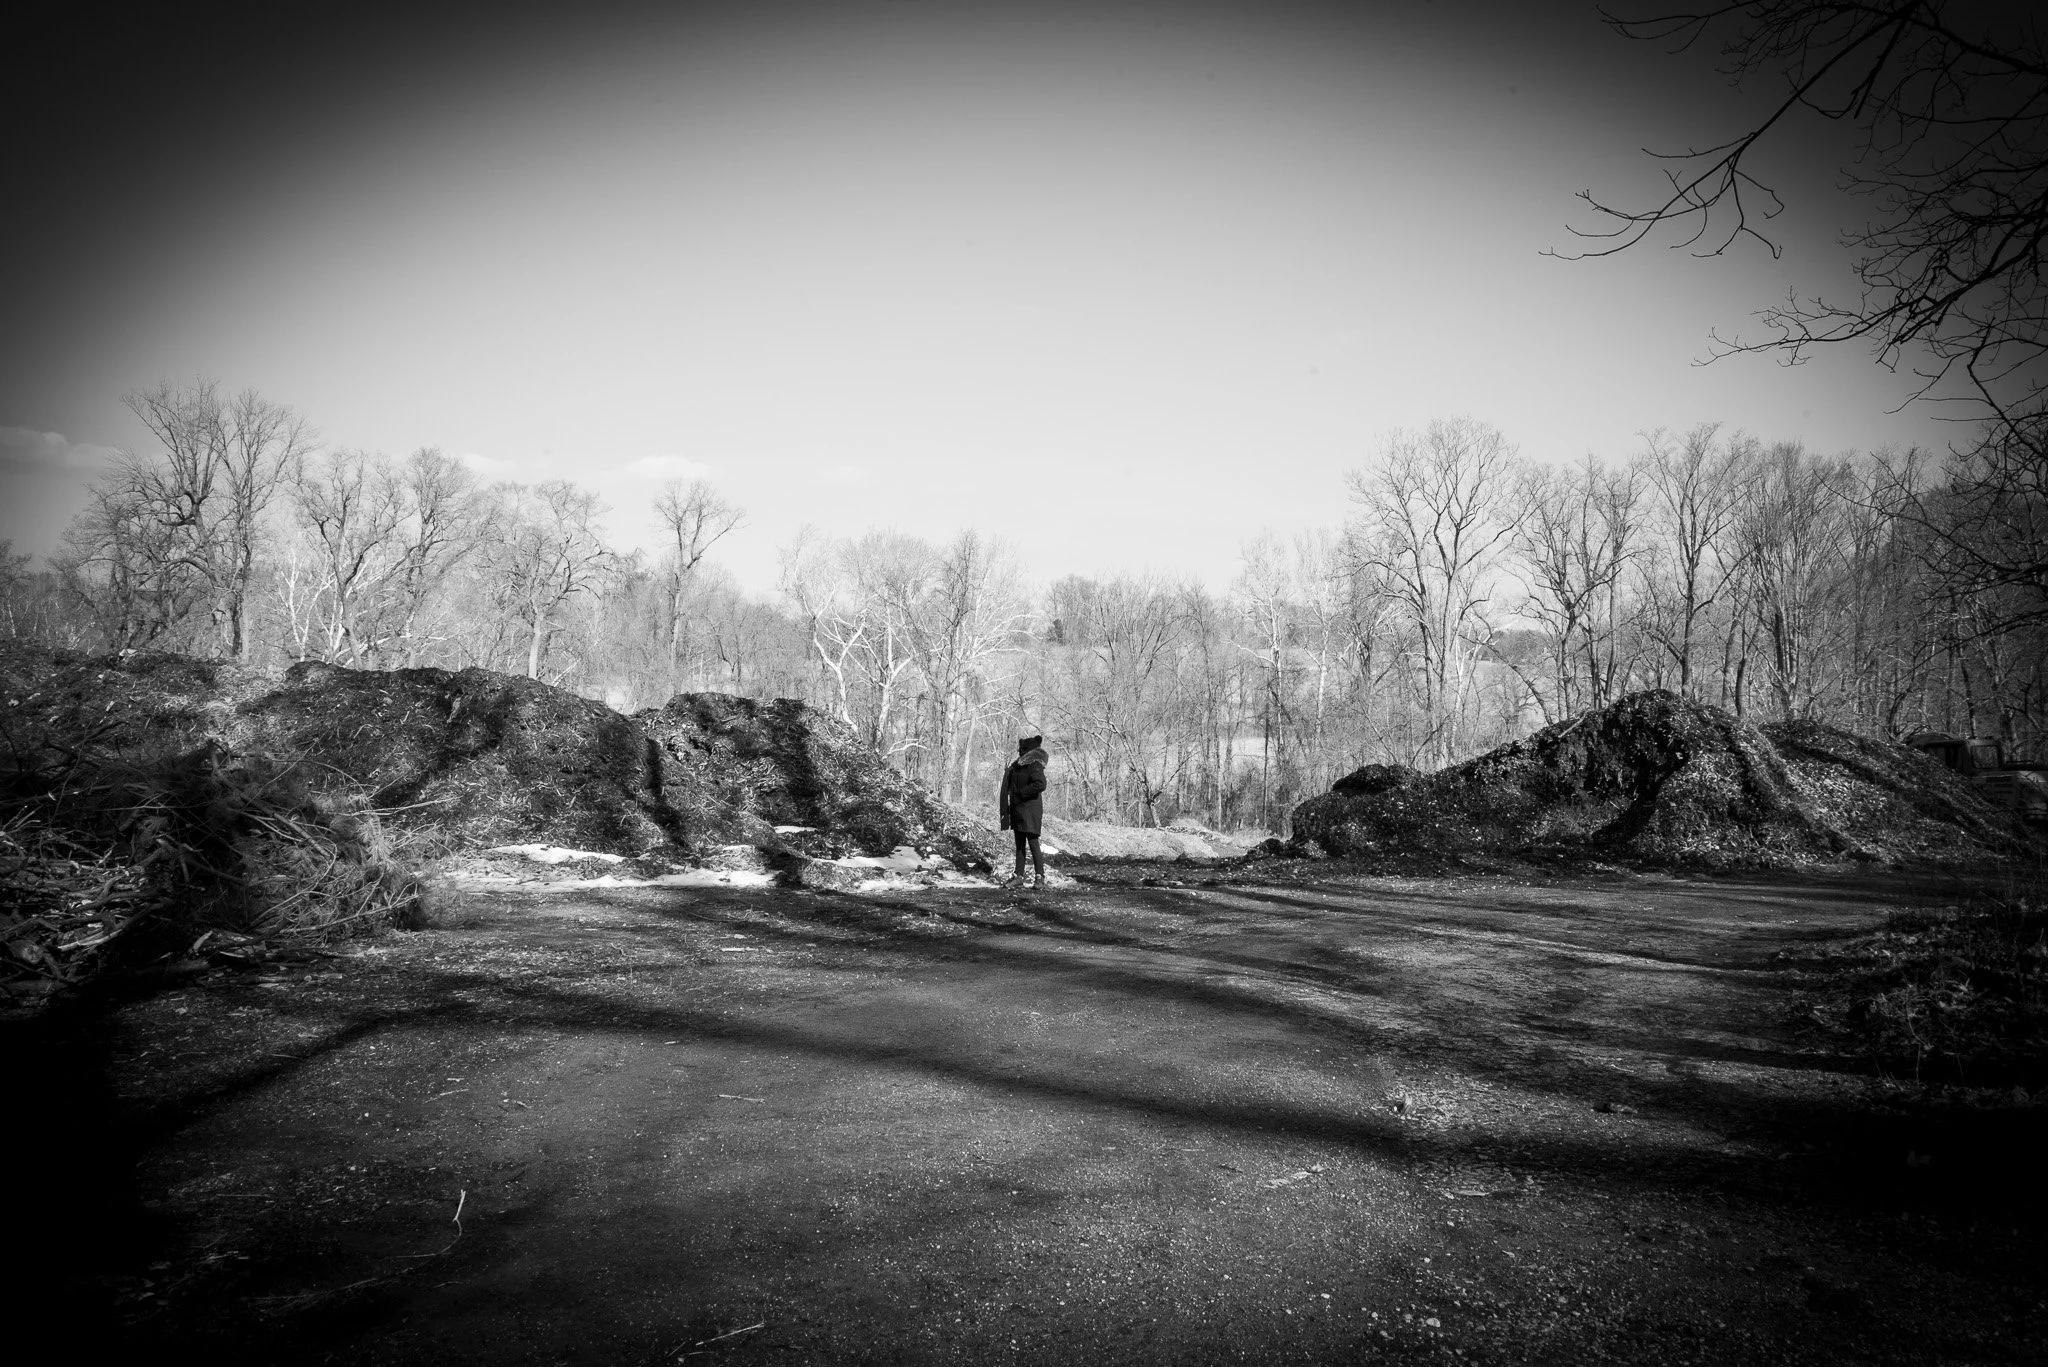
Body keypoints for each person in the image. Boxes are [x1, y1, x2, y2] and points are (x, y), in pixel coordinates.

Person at [997, 734, 1048, 890]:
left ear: (1028, 750)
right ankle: (1019, 876)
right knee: (1019, 845)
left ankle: (1040, 877)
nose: (1019, 751)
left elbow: (1041, 784)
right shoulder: (1017, 766)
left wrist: (1021, 794)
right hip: (1018, 810)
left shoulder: (1035, 764)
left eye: (1022, 749)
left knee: (1033, 844)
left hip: (1030, 810)